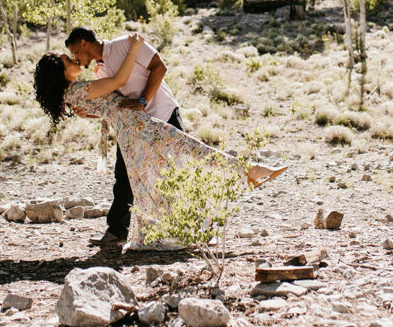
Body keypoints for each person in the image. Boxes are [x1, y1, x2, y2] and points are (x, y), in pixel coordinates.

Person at [33, 35, 286, 250]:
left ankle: (182, 223)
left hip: (133, 128)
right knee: (189, 151)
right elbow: (119, 82)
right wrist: (134, 48)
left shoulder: (76, 91)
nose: (75, 60)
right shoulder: (78, 90)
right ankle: (247, 172)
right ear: (61, 73)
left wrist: (93, 112)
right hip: (137, 128)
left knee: (153, 177)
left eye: (73, 55)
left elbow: (105, 105)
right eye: (69, 60)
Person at [65, 26, 182, 247]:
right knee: (123, 175)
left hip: (163, 113)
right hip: (132, 125)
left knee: (178, 169)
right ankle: (117, 232)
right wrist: (88, 114)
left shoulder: (127, 44)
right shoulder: (99, 72)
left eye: (75, 52)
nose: (76, 59)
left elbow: (160, 67)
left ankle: (199, 229)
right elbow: (113, 106)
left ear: (83, 43)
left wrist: (142, 101)